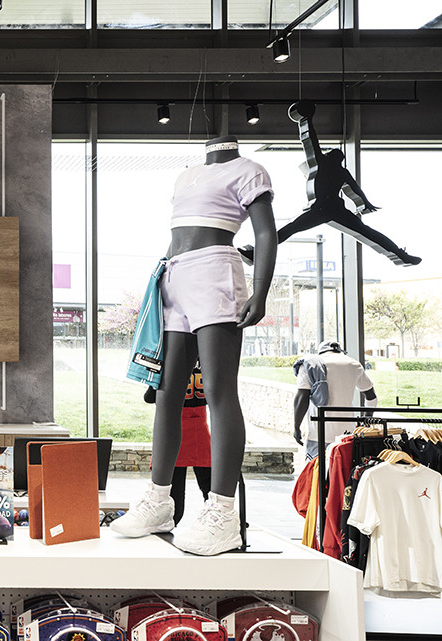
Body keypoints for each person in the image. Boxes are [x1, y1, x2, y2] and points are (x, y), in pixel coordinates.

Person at [111, 135, 277, 556]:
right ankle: (159, 500)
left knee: (219, 392)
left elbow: (265, 233)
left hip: (215, 271)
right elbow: (177, 234)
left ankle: (222, 512)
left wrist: (260, 292)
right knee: (167, 391)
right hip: (175, 274)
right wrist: (160, 278)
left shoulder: (249, 170)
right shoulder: (186, 176)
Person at [240, 100, 420, 267]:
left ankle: (255, 254)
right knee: (368, 233)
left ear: (330, 157)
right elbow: (355, 191)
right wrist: (363, 204)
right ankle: (400, 255)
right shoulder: (341, 171)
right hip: (335, 209)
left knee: (288, 230)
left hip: (321, 209)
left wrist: (307, 120)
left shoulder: (323, 163)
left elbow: (310, 140)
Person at [144, 363, 212, 525]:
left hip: (173, 432)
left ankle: (166, 524)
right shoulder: (208, 368)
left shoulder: (171, 367)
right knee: (209, 487)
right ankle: (219, 519)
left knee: (174, 496)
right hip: (200, 431)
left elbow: (149, 397)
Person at [294, 340, 378, 460]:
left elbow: (302, 397)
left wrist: (296, 427)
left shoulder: (310, 364)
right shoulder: (354, 364)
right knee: (344, 470)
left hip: (318, 434)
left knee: (316, 470)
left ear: (321, 351)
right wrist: (366, 421)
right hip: (347, 435)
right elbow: (371, 396)